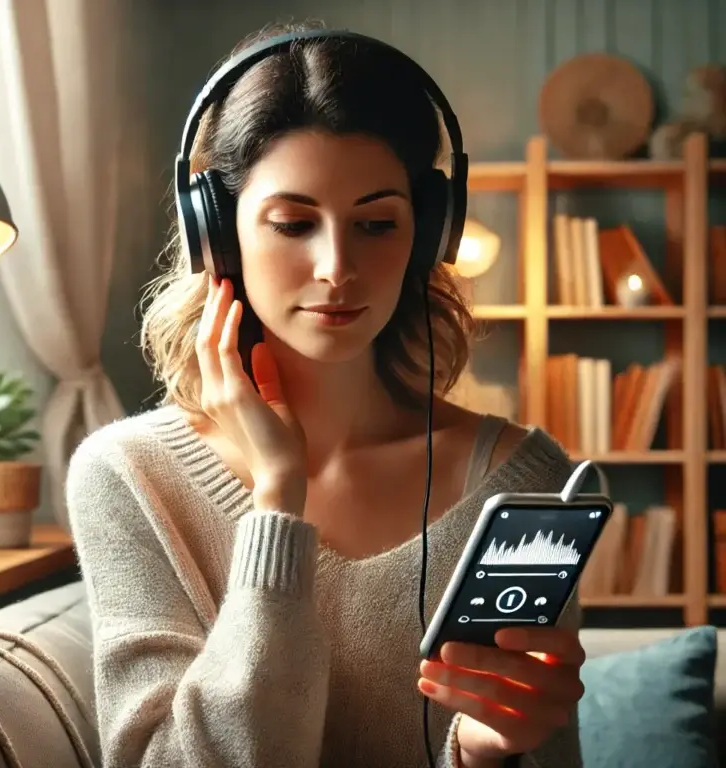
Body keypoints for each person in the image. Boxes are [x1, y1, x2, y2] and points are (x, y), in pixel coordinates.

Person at [66, 19, 585, 768]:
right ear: (219, 233)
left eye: (376, 223)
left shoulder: (525, 484)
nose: (337, 265)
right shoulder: (126, 477)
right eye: (293, 223)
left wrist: (480, 752)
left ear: (427, 234)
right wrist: (279, 499)